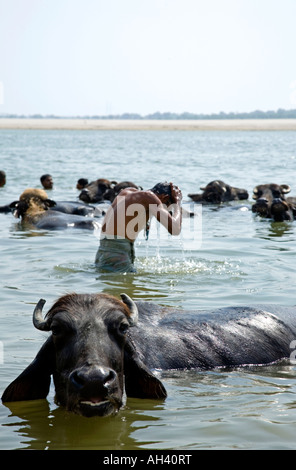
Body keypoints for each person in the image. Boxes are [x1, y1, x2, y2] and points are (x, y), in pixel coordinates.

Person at [95, 182, 182, 273]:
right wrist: (177, 202)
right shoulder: (149, 197)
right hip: (117, 255)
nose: (166, 211)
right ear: (165, 198)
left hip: (103, 251)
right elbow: (175, 229)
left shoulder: (128, 192)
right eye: (168, 207)